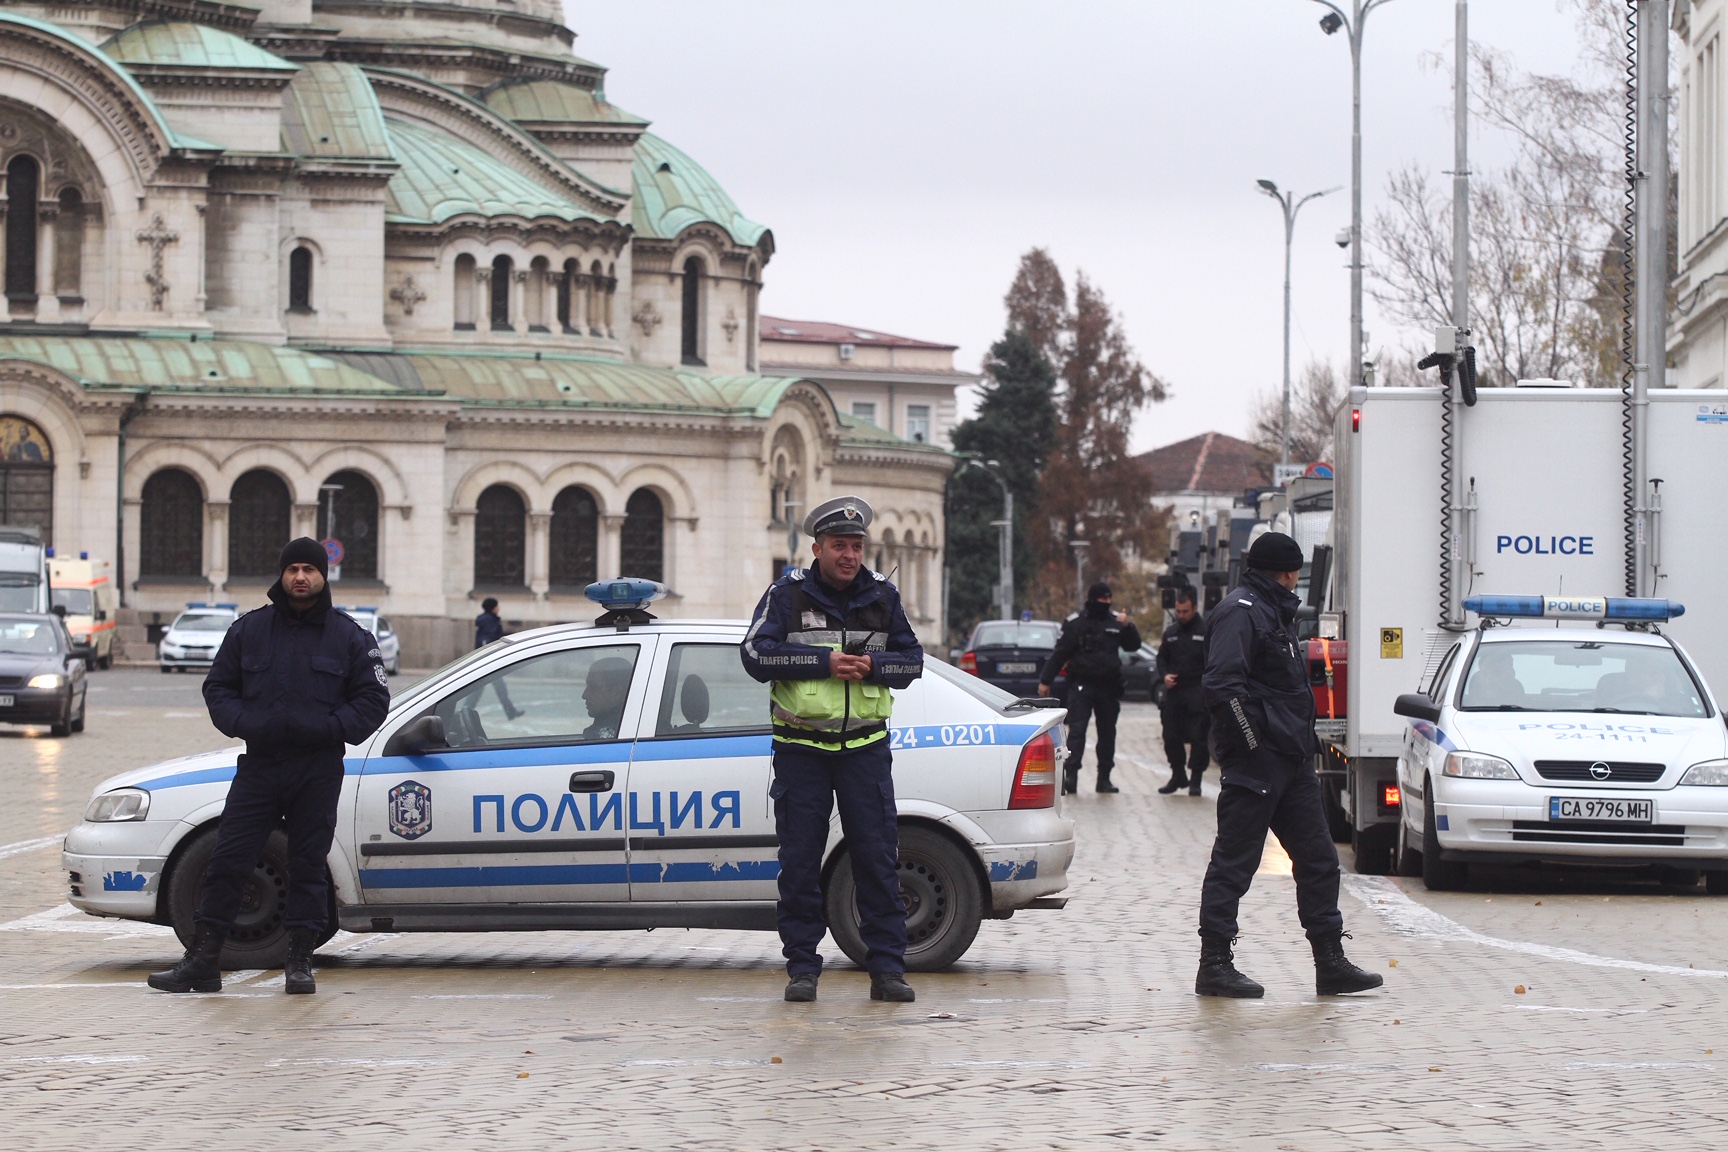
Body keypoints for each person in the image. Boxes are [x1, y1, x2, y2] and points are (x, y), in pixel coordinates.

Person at [149, 538, 389, 995]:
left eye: (309, 570)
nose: (300, 577)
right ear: (282, 574)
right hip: (260, 767)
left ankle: (299, 962)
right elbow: (218, 689)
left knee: (308, 864)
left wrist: (328, 728)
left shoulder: (349, 636)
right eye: (293, 569)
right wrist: (247, 724)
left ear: (322, 576)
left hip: (317, 768)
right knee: (228, 859)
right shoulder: (250, 630)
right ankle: (203, 961)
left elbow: (373, 700)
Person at [740, 495, 924, 1004]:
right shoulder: (786, 594)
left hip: (865, 750)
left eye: (856, 546)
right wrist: (824, 663)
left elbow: (913, 661)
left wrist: (875, 667)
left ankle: (887, 971)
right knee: (800, 864)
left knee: (877, 862)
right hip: (801, 751)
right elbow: (754, 655)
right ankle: (802, 968)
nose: (849, 555)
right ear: (817, 549)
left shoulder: (883, 595)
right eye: (839, 546)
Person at [1194, 531, 1382, 999]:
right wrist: (1253, 745)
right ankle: (1214, 965)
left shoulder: (1273, 612)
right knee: (1234, 864)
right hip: (1258, 764)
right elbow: (1222, 686)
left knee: (1320, 861)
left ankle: (1330, 963)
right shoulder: (1242, 613)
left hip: (1293, 762)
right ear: (1289, 572)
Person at [1037, 582, 1142, 794]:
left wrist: (1128, 626)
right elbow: (1060, 653)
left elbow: (1133, 645)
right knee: (1077, 731)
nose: (1107, 603)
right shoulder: (1076, 623)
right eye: (1103, 599)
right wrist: (1046, 680)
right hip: (1082, 684)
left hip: (1108, 687)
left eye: (1109, 599)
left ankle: (1104, 778)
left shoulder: (1116, 622)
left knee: (1107, 734)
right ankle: (1071, 776)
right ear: (1093, 599)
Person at [1156, 586, 1210, 796]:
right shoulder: (1171, 633)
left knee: (1198, 736)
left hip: (1198, 690)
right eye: (1178, 611)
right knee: (1170, 735)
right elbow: (1162, 658)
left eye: (1185, 611)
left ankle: (1196, 779)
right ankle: (1178, 775)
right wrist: (1164, 676)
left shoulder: (1206, 631)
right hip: (1175, 691)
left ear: (1194, 608)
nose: (1181, 615)